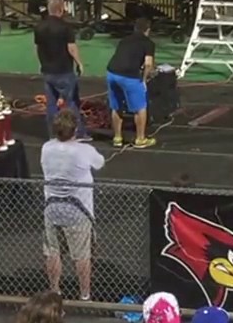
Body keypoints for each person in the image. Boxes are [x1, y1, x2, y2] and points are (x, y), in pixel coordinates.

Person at [42, 110, 104, 301]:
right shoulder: (83, 150)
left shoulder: (46, 147)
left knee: (53, 251)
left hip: (52, 207)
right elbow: (100, 163)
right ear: (75, 130)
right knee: (81, 255)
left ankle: (55, 289)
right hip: (78, 210)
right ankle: (84, 294)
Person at [34, 0, 88, 140]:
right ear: (61, 9)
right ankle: (78, 133)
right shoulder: (65, 27)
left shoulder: (39, 26)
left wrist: (42, 63)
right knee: (71, 103)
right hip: (64, 70)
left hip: (47, 70)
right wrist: (79, 63)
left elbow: (37, 48)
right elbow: (71, 48)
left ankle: (53, 134)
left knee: (51, 104)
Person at [105, 18, 157, 149]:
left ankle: (117, 137)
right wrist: (144, 80)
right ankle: (140, 139)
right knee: (140, 108)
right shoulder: (148, 43)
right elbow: (148, 64)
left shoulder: (124, 40)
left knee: (116, 106)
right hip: (130, 77)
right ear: (148, 30)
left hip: (112, 73)